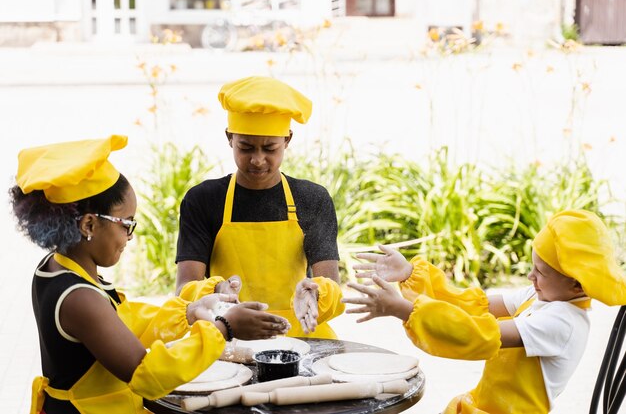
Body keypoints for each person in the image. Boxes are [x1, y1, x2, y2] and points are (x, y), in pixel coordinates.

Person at [10, 135, 289, 414]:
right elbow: (148, 375)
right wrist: (224, 329)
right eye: (126, 224)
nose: (130, 237)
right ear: (89, 224)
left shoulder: (57, 265)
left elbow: (120, 322)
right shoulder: (80, 299)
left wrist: (188, 313)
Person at [342, 210, 626, 414]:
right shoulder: (544, 296)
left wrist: (405, 309)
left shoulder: (562, 322)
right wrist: (410, 275)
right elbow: (476, 305)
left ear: (577, 284)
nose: (529, 276)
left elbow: (478, 334)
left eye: (539, 272)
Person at [175, 76, 344, 338]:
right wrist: (217, 292)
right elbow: (185, 286)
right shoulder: (203, 200)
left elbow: (331, 283)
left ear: (287, 140)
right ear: (230, 138)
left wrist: (315, 293)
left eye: (269, 148)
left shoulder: (312, 199)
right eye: (246, 147)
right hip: (228, 333)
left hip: (303, 336)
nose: (257, 159)